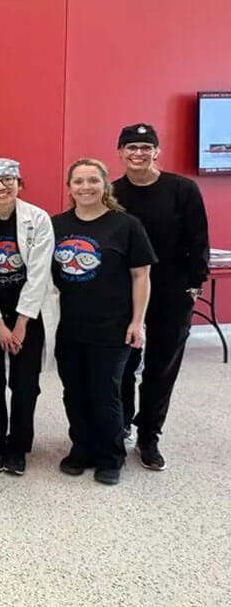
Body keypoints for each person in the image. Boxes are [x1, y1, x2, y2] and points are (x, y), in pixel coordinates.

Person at [112, 123, 209, 471]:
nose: (138, 153)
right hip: (124, 293)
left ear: (157, 152)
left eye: (145, 147)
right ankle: (121, 423)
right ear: (120, 152)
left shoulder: (182, 189)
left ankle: (149, 434)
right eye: (131, 147)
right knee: (122, 365)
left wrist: (196, 282)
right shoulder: (112, 193)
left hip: (172, 290)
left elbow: (198, 237)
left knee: (161, 366)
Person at [52, 158, 155, 486]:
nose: (85, 187)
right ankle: (81, 447)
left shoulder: (126, 226)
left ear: (105, 185)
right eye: (78, 181)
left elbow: (141, 276)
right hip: (67, 325)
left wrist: (137, 322)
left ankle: (111, 455)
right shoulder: (56, 225)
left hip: (111, 326)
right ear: (69, 188)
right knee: (74, 390)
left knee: (105, 390)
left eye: (92, 181)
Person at [0, 159, 54, 476]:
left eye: (8, 180)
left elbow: (40, 274)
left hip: (28, 313)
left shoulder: (38, 219)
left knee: (25, 383)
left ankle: (18, 446)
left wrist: (20, 322)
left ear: (20, 183)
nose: (1, 187)